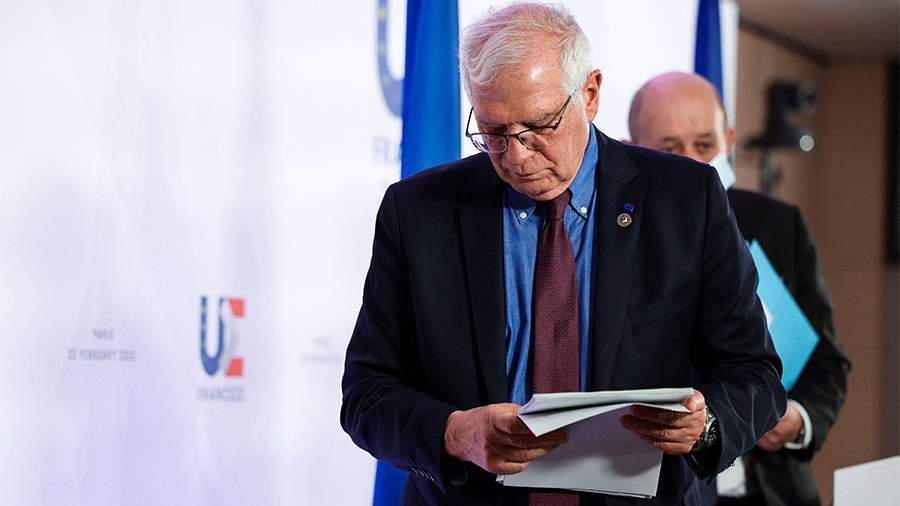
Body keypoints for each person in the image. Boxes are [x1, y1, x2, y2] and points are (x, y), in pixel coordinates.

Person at [341, 4, 786, 505]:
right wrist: (454, 433)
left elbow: (753, 373)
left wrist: (706, 427)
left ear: (590, 94)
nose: (517, 157)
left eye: (540, 126)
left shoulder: (687, 199)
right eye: (493, 133)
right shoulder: (419, 211)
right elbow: (366, 393)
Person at [628, 71, 851, 506]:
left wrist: (797, 419)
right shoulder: (613, 240)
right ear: (631, 148)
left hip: (770, 490)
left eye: (704, 145)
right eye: (670, 149)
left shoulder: (779, 225)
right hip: (666, 487)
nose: (692, 163)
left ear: (728, 140)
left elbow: (828, 363)